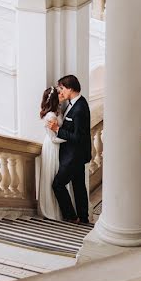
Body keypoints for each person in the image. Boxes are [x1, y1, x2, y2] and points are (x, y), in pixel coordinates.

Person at [48, 74, 91, 225]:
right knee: (79, 187)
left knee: (58, 185)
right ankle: (83, 218)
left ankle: (71, 217)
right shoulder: (75, 102)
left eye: (62, 88)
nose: (61, 92)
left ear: (70, 88)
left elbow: (78, 137)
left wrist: (58, 129)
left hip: (74, 156)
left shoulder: (79, 108)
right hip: (75, 155)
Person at [38, 86, 67, 220]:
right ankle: (52, 210)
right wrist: (69, 139)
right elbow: (54, 138)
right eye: (59, 93)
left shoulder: (57, 110)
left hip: (57, 146)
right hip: (52, 148)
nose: (62, 94)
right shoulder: (50, 116)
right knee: (53, 176)